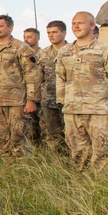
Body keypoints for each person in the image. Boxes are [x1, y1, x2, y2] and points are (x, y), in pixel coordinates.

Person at [56, 11, 108, 171]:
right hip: (73, 111)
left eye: (80, 23)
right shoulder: (64, 52)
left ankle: (105, 187)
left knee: (104, 152)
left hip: (99, 110)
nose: (76, 26)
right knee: (78, 152)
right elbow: (60, 78)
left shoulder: (106, 51)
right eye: (73, 23)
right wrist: (63, 102)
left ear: (92, 26)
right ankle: (83, 184)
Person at [0, 14, 41, 160]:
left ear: (10, 27)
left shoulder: (21, 48)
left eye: (0, 26)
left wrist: (31, 99)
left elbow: (32, 75)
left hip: (17, 101)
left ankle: (22, 169)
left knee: (18, 137)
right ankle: (5, 167)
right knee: (0, 137)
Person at [36, 20, 71, 154]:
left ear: (64, 33)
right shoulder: (42, 54)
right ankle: (59, 162)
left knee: (73, 134)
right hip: (49, 100)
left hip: (70, 100)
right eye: (49, 33)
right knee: (53, 134)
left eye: (55, 32)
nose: (51, 35)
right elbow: (39, 77)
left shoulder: (72, 51)